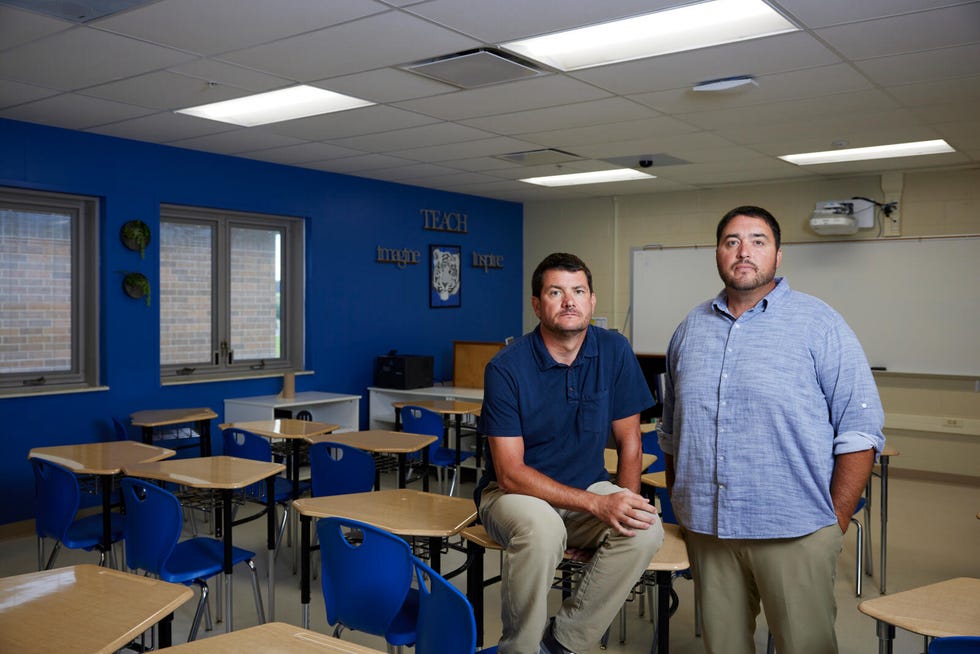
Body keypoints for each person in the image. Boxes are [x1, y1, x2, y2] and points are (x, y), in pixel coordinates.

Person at [657, 206, 885, 654]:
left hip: (795, 531)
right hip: (710, 531)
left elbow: (860, 431)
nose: (744, 252)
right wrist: (685, 505)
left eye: (758, 241)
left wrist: (833, 522)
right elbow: (672, 431)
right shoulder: (689, 330)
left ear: (778, 255)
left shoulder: (820, 325)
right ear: (718, 254)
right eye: (732, 241)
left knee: (805, 647)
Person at [476, 252, 664, 654]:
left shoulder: (614, 350)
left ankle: (563, 642)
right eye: (556, 292)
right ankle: (519, 649)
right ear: (537, 304)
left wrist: (621, 506)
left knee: (645, 527)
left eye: (578, 291)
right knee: (543, 529)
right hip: (513, 496)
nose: (569, 301)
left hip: (586, 489)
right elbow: (510, 473)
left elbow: (631, 443)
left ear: (592, 300)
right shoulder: (506, 368)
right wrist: (597, 506)